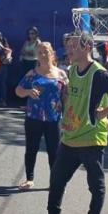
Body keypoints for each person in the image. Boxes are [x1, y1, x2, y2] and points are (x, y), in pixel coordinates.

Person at [25, 32, 108, 214]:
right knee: (56, 180)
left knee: (96, 186)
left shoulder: (98, 73)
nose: (69, 50)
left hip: (91, 139)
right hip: (71, 137)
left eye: (74, 46)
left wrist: (105, 114)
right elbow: (79, 100)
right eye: (68, 46)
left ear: (87, 47)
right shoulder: (73, 70)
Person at [14, 42, 67, 190]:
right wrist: (27, 92)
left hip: (54, 119)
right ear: (37, 55)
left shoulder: (61, 74)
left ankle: (54, 181)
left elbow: (66, 96)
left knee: (54, 151)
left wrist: (68, 116)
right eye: (40, 52)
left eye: (46, 52)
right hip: (34, 117)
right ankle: (29, 179)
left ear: (52, 54)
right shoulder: (32, 74)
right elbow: (18, 90)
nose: (43, 55)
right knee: (31, 149)